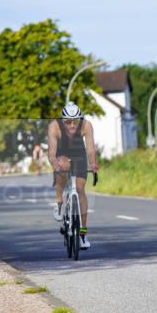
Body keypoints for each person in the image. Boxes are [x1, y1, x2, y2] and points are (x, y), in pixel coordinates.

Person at [48, 103, 98, 249]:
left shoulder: (86, 125)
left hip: (79, 155)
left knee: (80, 189)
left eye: (75, 121)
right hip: (62, 154)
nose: (71, 125)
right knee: (62, 166)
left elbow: (90, 148)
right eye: (68, 122)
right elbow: (52, 152)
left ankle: (83, 234)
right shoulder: (54, 126)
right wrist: (55, 164)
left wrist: (93, 164)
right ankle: (59, 203)